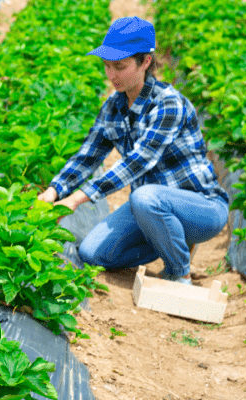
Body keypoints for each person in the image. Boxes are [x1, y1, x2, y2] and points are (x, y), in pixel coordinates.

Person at [38, 16, 229, 284]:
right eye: (106, 66)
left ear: (146, 62)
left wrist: (76, 199)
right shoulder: (113, 108)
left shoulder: (168, 104)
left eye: (120, 66)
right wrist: (53, 191)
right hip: (149, 210)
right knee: (92, 253)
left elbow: (138, 162)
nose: (111, 75)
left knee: (144, 196)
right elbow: (87, 156)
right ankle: (170, 241)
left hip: (201, 207)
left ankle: (179, 272)